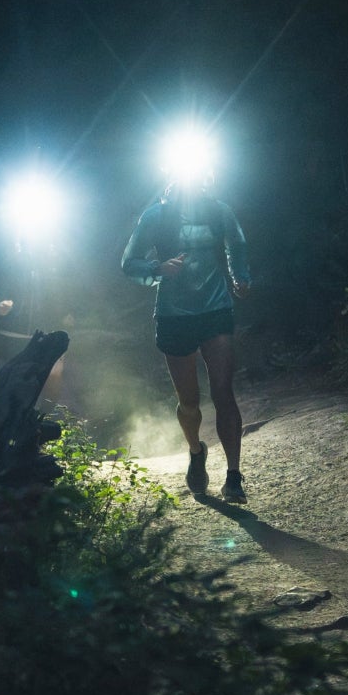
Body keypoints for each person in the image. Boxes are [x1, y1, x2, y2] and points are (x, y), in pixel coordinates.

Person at [120, 179, 252, 502]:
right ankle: (196, 451)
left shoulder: (219, 212)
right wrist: (158, 268)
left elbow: (237, 244)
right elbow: (129, 262)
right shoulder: (156, 216)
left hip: (215, 309)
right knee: (189, 402)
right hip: (174, 315)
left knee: (223, 392)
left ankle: (234, 477)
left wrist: (240, 276)